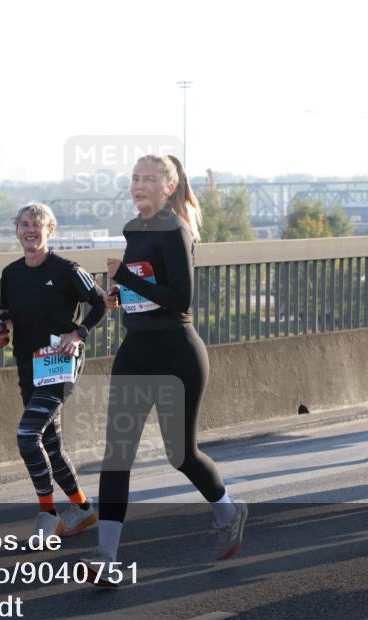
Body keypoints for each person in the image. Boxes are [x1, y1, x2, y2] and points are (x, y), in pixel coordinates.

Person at [81, 154, 247, 587]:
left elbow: (179, 299)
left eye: (149, 179)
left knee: (181, 454)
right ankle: (106, 557)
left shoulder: (176, 230)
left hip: (177, 353)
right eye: (135, 178)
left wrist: (128, 281)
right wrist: (119, 293)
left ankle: (228, 511)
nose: (139, 185)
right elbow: (141, 283)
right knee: (118, 454)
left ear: (168, 187)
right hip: (136, 350)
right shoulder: (134, 229)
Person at [0, 203, 107, 541]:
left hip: (61, 363)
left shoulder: (68, 269)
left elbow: (101, 303)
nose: (30, 230)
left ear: (50, 231)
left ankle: (47, 514)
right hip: (28, 365)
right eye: (24, 224)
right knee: (50, 444)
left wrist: (78, 333)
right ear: (16, 229)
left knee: (27, 436)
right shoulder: (10, 273)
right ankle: (83, 508)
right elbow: (6, 315)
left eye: (38, 225)